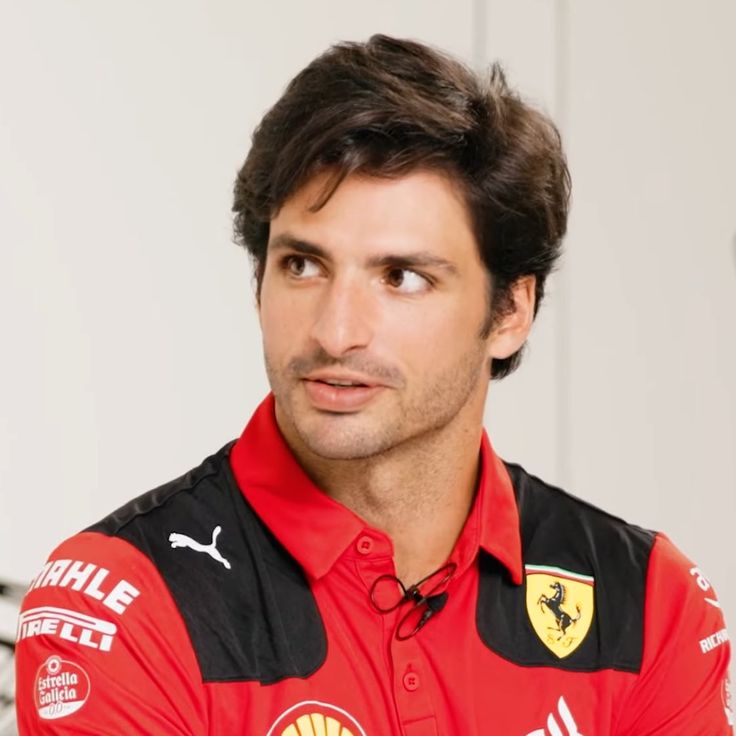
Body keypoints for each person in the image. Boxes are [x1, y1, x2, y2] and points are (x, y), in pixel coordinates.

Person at [15, 34, 732, 735]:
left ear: (511, 310)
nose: (335, 331)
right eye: (303, 265)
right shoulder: (124, 605)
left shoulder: (649, 603)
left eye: (403, 278)